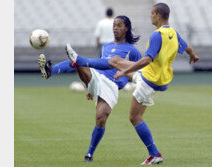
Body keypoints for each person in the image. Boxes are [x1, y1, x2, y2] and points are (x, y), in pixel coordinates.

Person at [66, 3, 199, 165]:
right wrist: (193, 56)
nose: (150, 16)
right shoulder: (173, 32)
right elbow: (188, 48)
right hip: (159, 78)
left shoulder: (157, 35)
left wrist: (123, 71)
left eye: (152, 13)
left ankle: (154, 154)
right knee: (115, 61)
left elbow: (146, 60)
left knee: (134, 117)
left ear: (157, 15)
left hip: (149, 80)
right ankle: (89, 74)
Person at [40, 15, 141, 162]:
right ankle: (51, 71)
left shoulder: (132, 51)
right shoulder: (106, 46)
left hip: (112, 85)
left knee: (101, 119)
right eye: (114, 25)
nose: (115, 28)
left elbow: (136, 70)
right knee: (79, 63)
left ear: (126, 28)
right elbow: (99, 65)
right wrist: (90, 88)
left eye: (119, 25)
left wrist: (127, 77)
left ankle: (89, 153)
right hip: (96, 78)